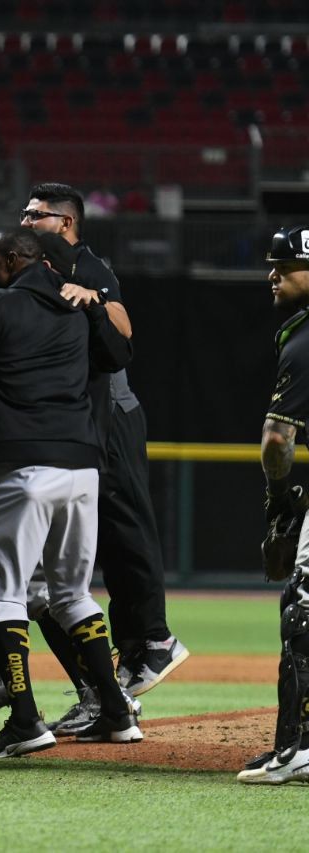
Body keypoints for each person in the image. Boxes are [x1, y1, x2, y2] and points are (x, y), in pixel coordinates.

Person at [0, 227, 139, 756]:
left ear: (16, 260)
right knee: (72, 594)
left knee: (3, 594)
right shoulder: (74, 307)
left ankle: (23, 720)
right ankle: (115, 711)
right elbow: (117, 355)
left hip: (23, 467)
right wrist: (93, 306)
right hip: (82, 466)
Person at [20, 183, 188, 699]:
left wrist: (94, 299)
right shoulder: (43, 268)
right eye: (24, 215)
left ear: (65, 223)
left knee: (126, 522)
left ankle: (156, 640)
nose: (27, 222)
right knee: (109, 540)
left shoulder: (85, 265)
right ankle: (132, 651)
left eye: (36, 215)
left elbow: (123, 326)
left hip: (112, 412)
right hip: (86, 416)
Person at [238, 225, 309, 785]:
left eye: (284, 268)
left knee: (302, 612)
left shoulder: (305, 337)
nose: (273, 275)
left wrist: (281, 499)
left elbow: (276, 440)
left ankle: (301, 747)